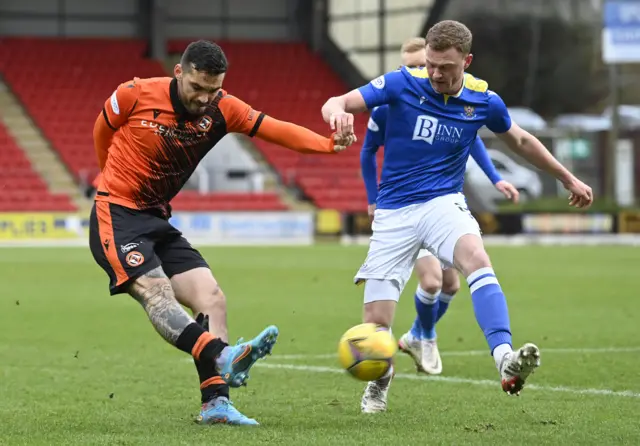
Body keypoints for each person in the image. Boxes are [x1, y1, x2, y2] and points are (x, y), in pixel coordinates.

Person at [322, 20, 592, 413]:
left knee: (477, 260)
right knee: (375, 327)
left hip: (442, 203)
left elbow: (520, 140)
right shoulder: (401, 83)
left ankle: (504, 358)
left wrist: (567, 177)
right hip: (394, 213)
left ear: (466, 61)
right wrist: (339, 114)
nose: (435, 74)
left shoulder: (483, 99)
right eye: (430, 64)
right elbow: (337, 101)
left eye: (445, 67)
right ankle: (379, 384)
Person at [90, 40, 355, 425]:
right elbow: (103, 131)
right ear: (179, 73)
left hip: (158, 219)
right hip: (117, 216)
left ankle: (215, 403)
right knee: (157, 294)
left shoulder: (222, 109)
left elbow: (276, 130)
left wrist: (329, 145)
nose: (204, 98)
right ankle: (221, 354)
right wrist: (107, 180)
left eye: (213, 90)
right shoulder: (134, 94)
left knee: (211, 298)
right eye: (197, 88)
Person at [361, 37, 519, 377]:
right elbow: (367, 151)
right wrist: (372, 199)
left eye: (429, 64)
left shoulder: (461, 101)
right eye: (416, 66)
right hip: (400, 207)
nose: (425, 73)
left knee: (451, 284)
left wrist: (494, 179)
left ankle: (423, 333)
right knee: (432, 282)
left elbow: (472, 137)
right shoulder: (390, 102)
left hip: (441, 203)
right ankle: (411, 347)